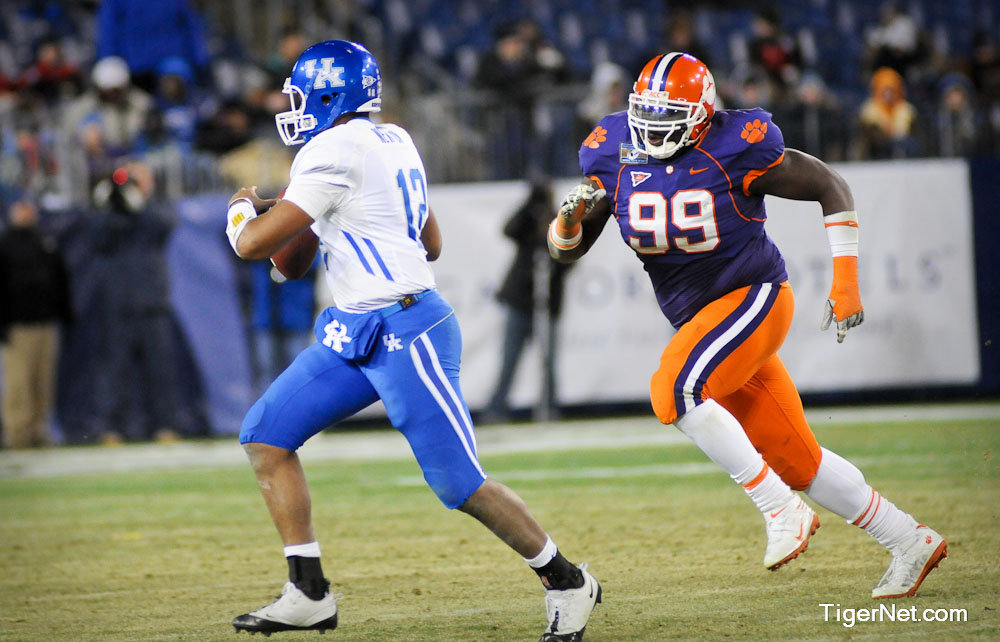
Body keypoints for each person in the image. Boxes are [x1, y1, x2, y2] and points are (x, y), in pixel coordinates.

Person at [224, 40, 601, 640]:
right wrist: (317, 220)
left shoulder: (329, 150)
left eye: (301, 94)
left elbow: (252, 246)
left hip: (405, 328)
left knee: (458, 484)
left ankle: (568, 582)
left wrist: (243, 213)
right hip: (355, 329)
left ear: (328, 95)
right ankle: (308, 590)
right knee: (266, 436)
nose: (293, 106)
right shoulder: (394, 139)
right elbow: (428, 243)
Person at [549, 52, 947, 600]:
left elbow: (830, 186)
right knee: (798, 459)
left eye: (670, 113)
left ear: (703, 114)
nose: (654, 124)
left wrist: (846, 281)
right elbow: (568, 250)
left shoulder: (737, 143)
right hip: (703, 320)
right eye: (649, 111)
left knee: (674, 390)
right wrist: (566, 221)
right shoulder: (610, 150)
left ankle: (780, 509)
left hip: (754, 296)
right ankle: (909, 539)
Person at [485, 179, 572, 421]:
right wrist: (531, 203)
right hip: (521, 302)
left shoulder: (561, 223)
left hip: (548, 303)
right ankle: (497, 407)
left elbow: (571, 257)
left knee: (548, 361)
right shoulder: (528, 221)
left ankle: (549, 406)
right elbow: (508, 230)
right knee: (509, 359)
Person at [0, 198, 73, 448]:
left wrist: (65, 313)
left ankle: (39, 430)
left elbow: (60, 279)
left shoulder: (46, 241)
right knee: (19, 383)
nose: (24, 213)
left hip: (45, 322)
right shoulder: (5, 244)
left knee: (43, 382)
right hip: (17, 325)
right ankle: (18, 433)